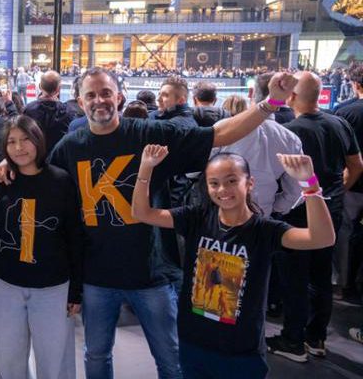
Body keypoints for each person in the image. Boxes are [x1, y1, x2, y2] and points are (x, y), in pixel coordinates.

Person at [0, 67, 298, 379]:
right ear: (80, 102)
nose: (99, 101)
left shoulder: (148, 135)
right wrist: (10, 160)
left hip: (151, 274)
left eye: (106, 93)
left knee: (170, 359)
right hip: (97, 276)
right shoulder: (70, 148)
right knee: (96, 356)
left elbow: (217, 135)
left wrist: (270, 104)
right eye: (91, 95)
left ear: (119, 97)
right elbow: (39, 174)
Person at [131, 146, 335, 379]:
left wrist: (309, 183)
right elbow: (141, 213)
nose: (223, 189)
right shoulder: (196, 218)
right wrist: (145, 167)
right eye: (214, 183)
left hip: (241, 352)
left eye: (231, 181)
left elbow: (322, 238)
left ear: (249, 183)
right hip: (193, 343)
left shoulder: (265, 230)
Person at [0, 115, 84, 379]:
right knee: (9, 358)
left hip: (53, 287)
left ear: (38, 141)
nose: (19, 147)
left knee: (54, 360)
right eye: (12, 142)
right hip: (7, 284)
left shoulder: (61, 181)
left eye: (25, 140)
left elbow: (74, 236)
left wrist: (76, 290)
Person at [268, 71, 363, 361]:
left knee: (294, 278)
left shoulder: (289, 131)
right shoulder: (339, 123)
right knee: (321, 276)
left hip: (297, 212)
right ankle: (316, 337)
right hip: (331, 210)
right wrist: (337, 190)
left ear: (292, 96)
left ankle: (293, 340)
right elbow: (356, 165)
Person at [332, 63, 363, 300]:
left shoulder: (344, 112)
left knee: (344, 233)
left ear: (354, 84)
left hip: (352, 184)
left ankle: (343, 285)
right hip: (353, 182)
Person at [22, 70, 76, 151]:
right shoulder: (69, 111)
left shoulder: (28, 110)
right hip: (59, 155)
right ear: (58, 89)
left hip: (36, 154)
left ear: (40, 87)